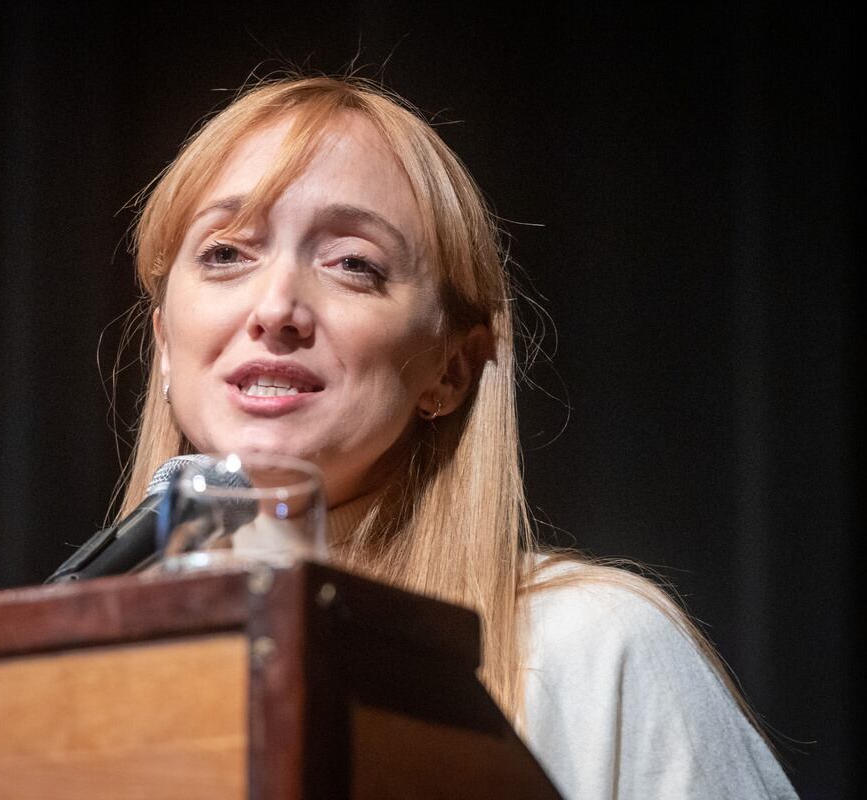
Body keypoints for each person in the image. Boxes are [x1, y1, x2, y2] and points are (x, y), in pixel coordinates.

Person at [113, 73, 797, 799]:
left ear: (452, 369)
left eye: (353, 264)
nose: (276, 306)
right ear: (164, 342)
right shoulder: (78, 680)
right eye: (226, 254)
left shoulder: (595, 650)